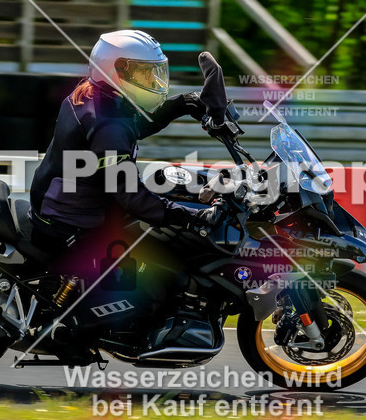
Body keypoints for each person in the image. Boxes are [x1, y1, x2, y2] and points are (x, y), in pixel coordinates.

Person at [27, 30, 222, 255]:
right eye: (144, 72)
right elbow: (132, 197)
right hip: (67, 227)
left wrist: (185, 103)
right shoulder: (107, 124)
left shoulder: (96, 96)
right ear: (116, 70)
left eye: (154, 71)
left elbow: (134, 126)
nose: (153, 80)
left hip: (73, 205)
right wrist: (195, 218)